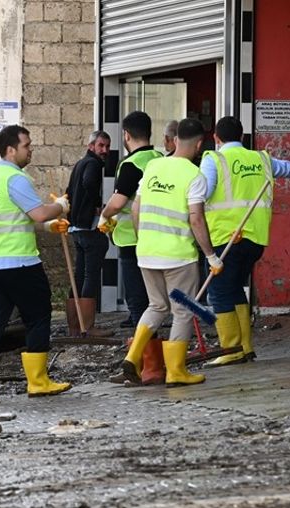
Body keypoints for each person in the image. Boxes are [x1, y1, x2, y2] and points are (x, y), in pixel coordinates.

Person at [200, 116, 290, 367]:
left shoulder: (214, 160)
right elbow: (285, 167)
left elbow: (202, 193)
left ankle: (231, 349)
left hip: (225, 237)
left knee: (219, 293)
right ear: (242, 137)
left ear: (216, 139)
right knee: (235, 289)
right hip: (255, 239)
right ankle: (246, 347)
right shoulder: (261, 159)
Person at [0, 125, 73, 403]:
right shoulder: (16, 178)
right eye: (27, 146)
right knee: (38, 315)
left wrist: (51, 228)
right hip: (20, 263)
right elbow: (38, 213)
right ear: (11, 149)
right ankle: (38, 382)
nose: (31, 151)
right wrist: (61, 206)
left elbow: (18, 220)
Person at [120, 119, 223, 387]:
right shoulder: (194, 175)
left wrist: (145, 240)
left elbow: (134, 209)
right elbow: (196, 219)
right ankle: (176, 372)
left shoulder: (154, 166)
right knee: (182, 312)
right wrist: (211, 255)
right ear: (199, 144)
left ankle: (132, 356)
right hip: (178, 256)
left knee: (156, 306)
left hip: (147, 252)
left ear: (175, 139)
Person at [97, 111, 163, 328]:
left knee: (136, 298)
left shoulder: (131, 164)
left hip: (131, 239)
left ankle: (143, 350)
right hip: (158, 236)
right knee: (154, 297)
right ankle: (149, 344)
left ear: (126, 135)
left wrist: (104, 215)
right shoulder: (159, 159)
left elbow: (117, 203)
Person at [63, 130, 112, 337]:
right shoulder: (92, 165)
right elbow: (89, 184)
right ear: (91, 146)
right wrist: (95, 208)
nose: (105, 151)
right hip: (88, 227)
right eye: (101, 146)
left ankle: (75, 327)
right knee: (90, 275)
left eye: (107, 146)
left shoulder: (80, 163)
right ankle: (88, 327)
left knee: (79, 274)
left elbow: (71, 189)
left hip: (76, 227)